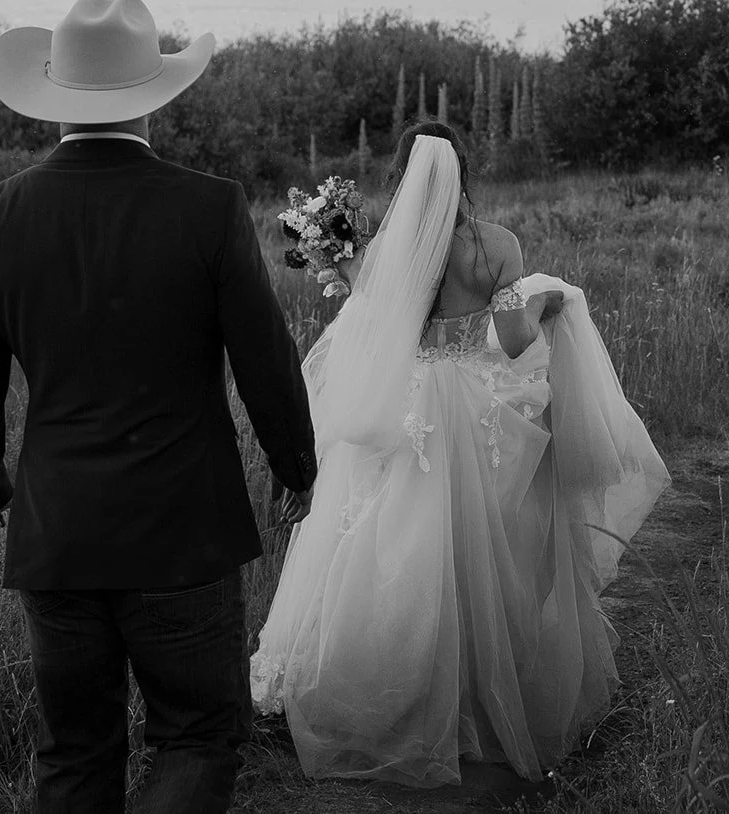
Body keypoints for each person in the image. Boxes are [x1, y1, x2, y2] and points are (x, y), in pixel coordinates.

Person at [0, 1, 317, 811]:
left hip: (58, 532)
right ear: (154, 94)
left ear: (58, 95)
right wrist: (297, 467)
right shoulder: (208, 205)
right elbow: (265, 357)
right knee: (196, 739)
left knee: (73, 752)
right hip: (183, 528)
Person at [250, 121, 669, 787]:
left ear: (406, 175)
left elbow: (375, 322)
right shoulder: (497, 245)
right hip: (472, 402)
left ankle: (386, 693)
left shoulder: (386, 251)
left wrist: (329, 252)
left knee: (386, 544)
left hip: (408, 407)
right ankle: (481, 689)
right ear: (463, 173)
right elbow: (510, 334)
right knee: (481, 546)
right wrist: (547, 303)